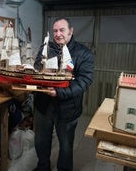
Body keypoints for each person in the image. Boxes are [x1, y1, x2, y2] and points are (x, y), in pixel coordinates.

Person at [33, 17, 94, 171]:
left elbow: (84, 81)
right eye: (55, 31)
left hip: (68, 107)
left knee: (66, 145)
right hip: (43, 104)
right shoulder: (45, 49)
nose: (58, 34)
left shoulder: (83, 53)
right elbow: (36, 69)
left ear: (71, 31)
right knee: (41, 140)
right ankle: (43, 166)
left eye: (62, 30)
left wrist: (59, 93)